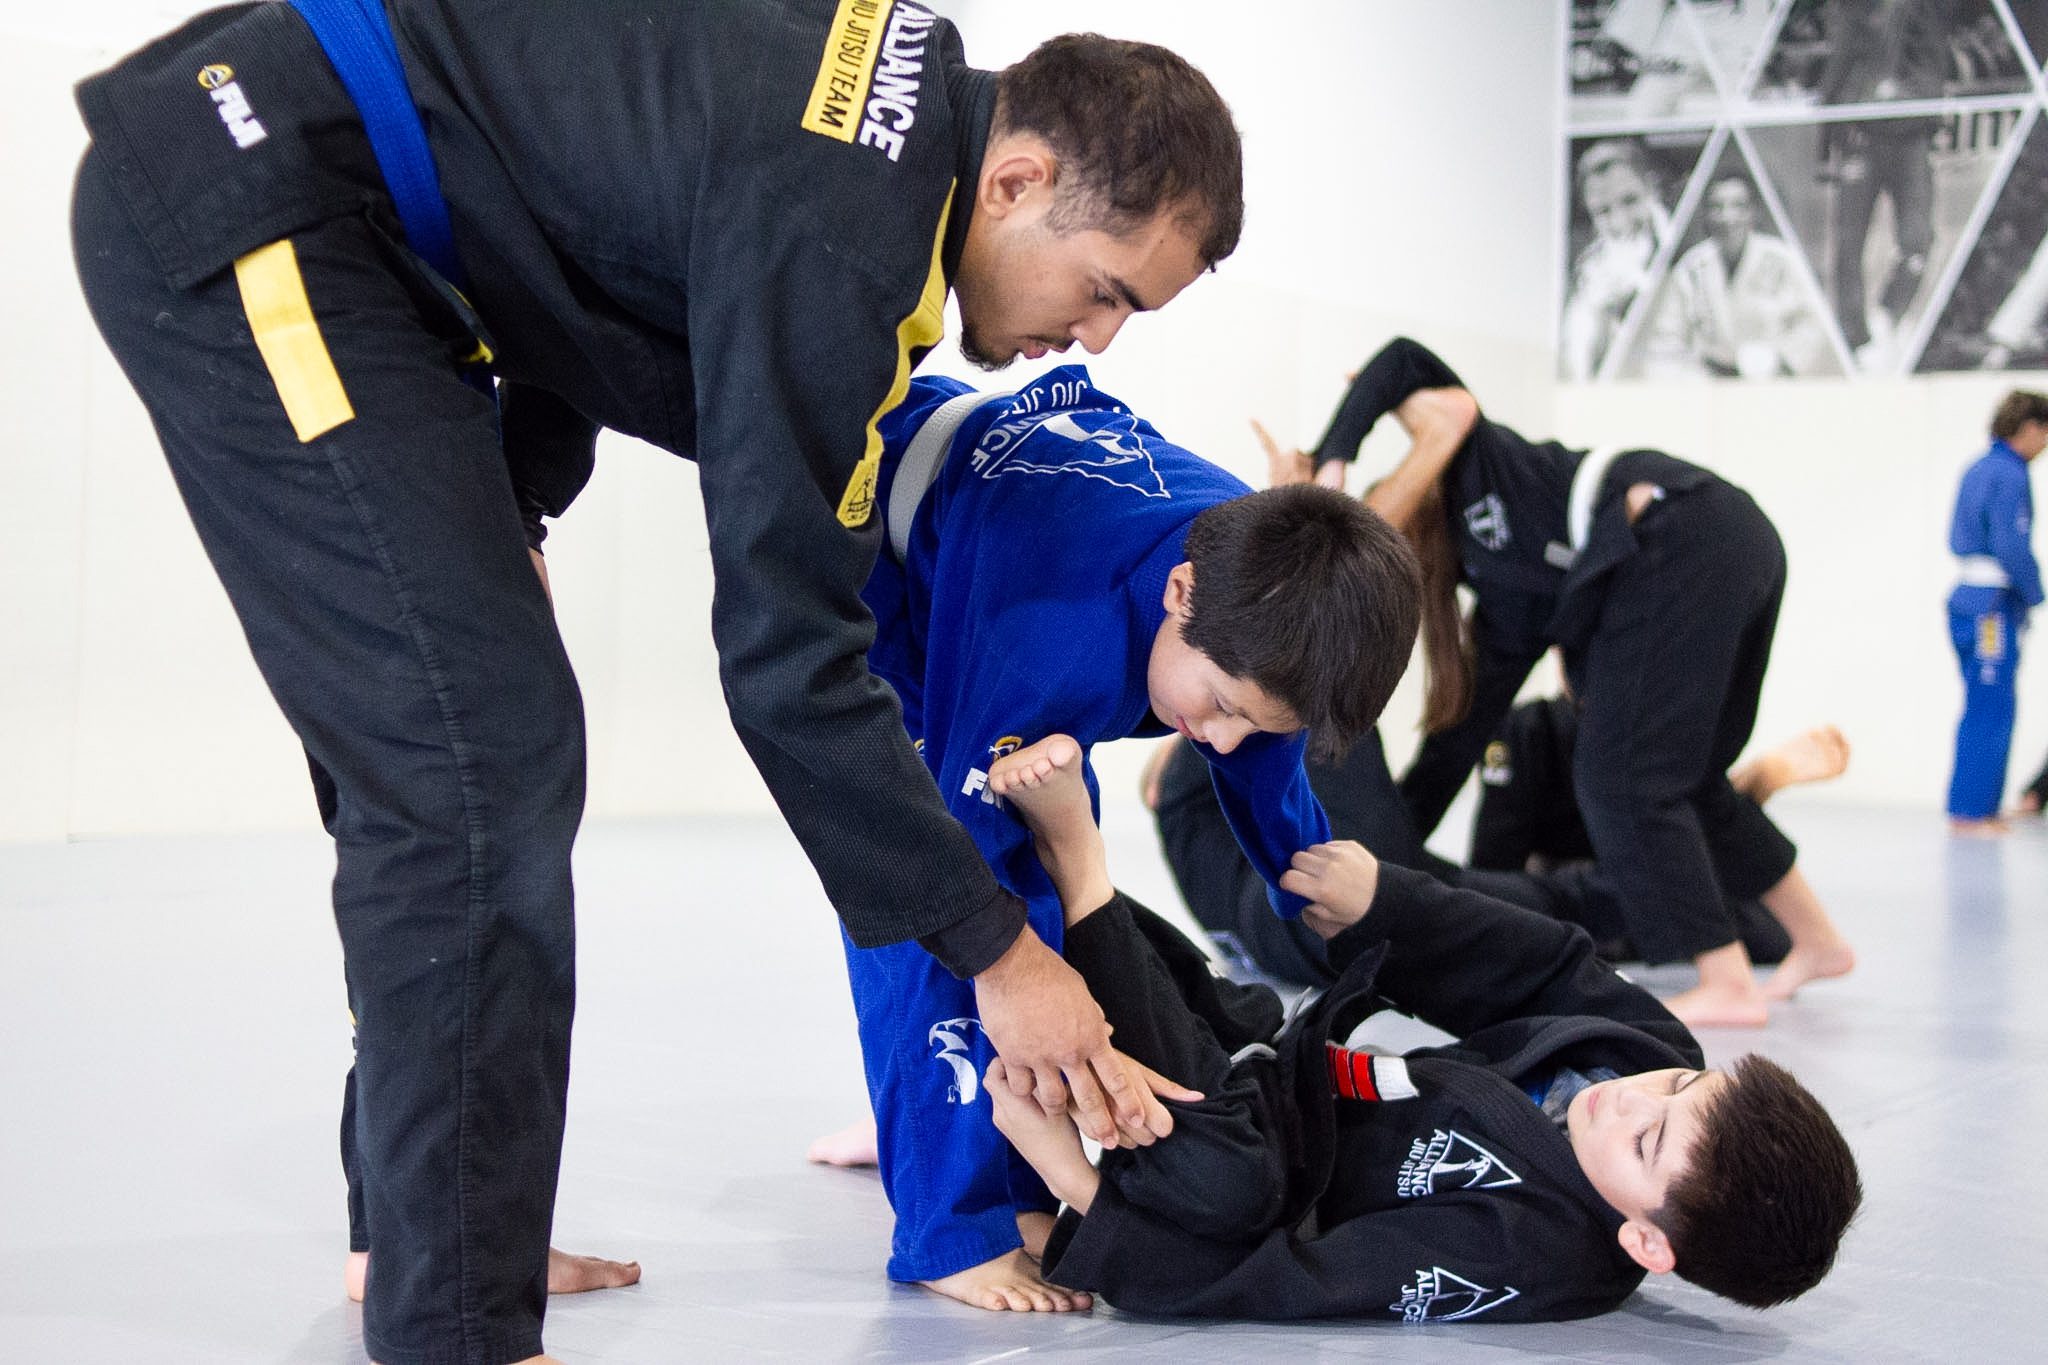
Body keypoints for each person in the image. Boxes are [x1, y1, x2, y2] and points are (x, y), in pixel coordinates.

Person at [71, 4, 1243, 1359]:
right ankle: (455, 1317)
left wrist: (512, 503)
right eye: (1107, 290)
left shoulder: (881, 144)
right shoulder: (848, 231)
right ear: (1021, 181)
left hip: (357, 229)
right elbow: (790, 659)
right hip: (261, 193)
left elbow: (590, 240)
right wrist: (1001, 949)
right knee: (476, 755)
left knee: (460, 730)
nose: (1097, 340)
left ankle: (430, 1231)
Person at [840, 364, 1418, 1307]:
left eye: (1255, 722)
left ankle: (1011, 1173)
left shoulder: (1264, 596)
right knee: (956, 907)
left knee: (1063, 884)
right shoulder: (1048, 630)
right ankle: (950, 1226)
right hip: (890, 544)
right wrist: (1002, 966)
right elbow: (938, 877)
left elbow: (1265, 752)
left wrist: (1298, 882)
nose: (1221, 740)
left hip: (1022, 529)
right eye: (1221, 706)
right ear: (1181, 593)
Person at [980, 732, 1861, 1322]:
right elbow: (1536, 960)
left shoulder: (1542, 1255)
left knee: (1227, 1176)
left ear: (1644, 1241)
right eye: (1675, 1089)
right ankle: (1001, 928)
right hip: (1281, 1062)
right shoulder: (1647, 1057)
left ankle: (1077, 861)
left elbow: (1312, 1280)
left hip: (1247, 1164)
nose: (1626, 1102)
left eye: (1647, 1142)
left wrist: (1078, 1194)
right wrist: (1384, 907)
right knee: (1164, 974)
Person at [1290, 337, 1855, 1029]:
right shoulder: (1507, 610)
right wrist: (1386, 858)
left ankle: (1725, 979)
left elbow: (1405, 359)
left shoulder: (1478, 462)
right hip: (1731, 537)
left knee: (1623, 776)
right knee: (1692, 782)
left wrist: (1331, 455)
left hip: (1682, 524)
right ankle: (1819, 942)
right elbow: (1457, 744)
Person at [1143, 709, 1853, 993]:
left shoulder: (1195, 765)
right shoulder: (1200, 758)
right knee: (1565, 907)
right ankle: (1736, 799)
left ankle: (1731, 808)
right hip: (1324, 915)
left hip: (1343, 908)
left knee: (1566, 911)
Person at [1944, 390, 2048, 832]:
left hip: (1968, 599)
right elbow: (2010, 545)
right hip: (1991, 608)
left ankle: (1971, 806)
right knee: (1992, 705)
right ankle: (1972, 812)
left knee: (1981, 703)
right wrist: (2037, 594)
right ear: (2029, 429)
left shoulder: (1977, 468)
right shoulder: (2009, 474)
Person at [1652, 173, 1831, 379]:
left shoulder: (1781, 260)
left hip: (1770, 380)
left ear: (1753, 212)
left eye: (1738, 206)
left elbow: (1813, 323)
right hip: (1708, 382)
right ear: (1706, 214)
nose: (1728, 218)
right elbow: (1668, 335)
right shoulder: (1691, 267)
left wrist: (1782, 361)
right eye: (1717, 207)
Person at [1561, 139, 1673, 381]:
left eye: (1630, 200)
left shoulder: (1685, 243)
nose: (1620, 222)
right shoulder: (1588, 273)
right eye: (1603, 212)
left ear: (1652, 188)